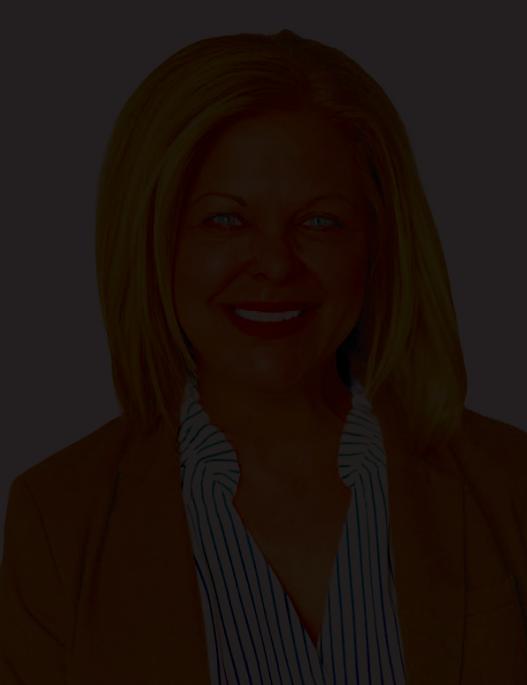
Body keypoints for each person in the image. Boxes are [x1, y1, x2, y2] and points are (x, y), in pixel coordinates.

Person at [1, 29, 527, 684]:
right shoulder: (58, 519)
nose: (276, 264)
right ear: (152, 239)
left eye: (320, 221)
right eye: (225, 220)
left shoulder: (510, 484)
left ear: (377, 242)